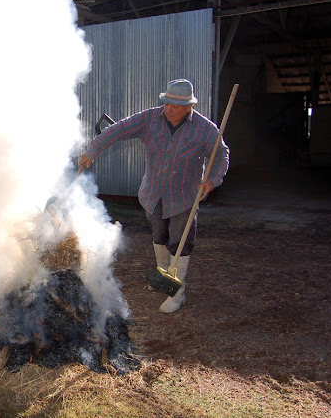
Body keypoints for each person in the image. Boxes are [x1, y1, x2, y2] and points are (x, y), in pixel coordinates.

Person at [78, 79, 229, 313]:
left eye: (175, 106)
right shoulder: (150, 118)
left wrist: (212, 180)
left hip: (184, 196)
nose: (169, 109)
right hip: (153, 194)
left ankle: (177, 292)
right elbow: (118, 129)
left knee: (179, 241)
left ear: (189, 107)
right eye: (166, 103)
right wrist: (92, 150)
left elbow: (221, 155)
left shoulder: (204, 129)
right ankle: (163, 277)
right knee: (159, 236)